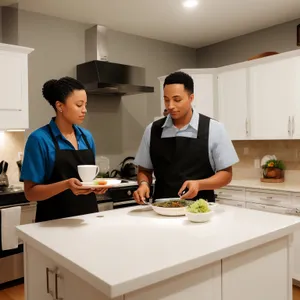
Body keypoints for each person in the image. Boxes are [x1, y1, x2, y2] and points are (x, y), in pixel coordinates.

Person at [133, 71, 239, 204]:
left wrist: (199, 184)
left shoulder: (214, 129)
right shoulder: (152, 130)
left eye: (177, 100)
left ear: (191, 98)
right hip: (161, 209)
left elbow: (226, 175)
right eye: (166, 100)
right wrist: (143, 184)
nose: (170, 106)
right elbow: (144, 170)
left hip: (200, 211)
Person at [20, 76, 107, 222]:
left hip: (88, 219)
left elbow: (87, 180)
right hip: (53, 224)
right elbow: (30, 193)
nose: (84, 110)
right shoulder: (39, 139)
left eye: (85, 105)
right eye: (79, 105)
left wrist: (95, 186)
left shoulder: (86, 137)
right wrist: (66, 185)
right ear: (60, 106)